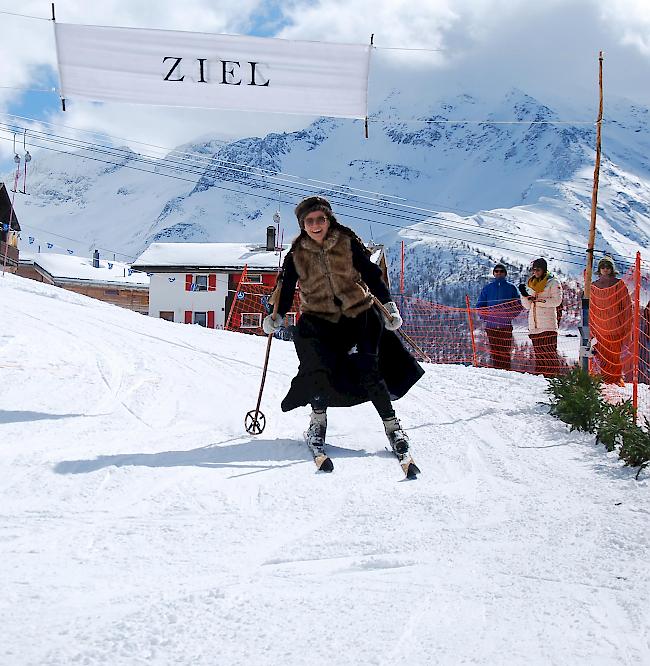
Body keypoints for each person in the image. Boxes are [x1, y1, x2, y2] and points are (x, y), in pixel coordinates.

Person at [263, 196, 424, 458]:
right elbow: (287, 287)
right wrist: (277, 316)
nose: (316, 225)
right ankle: (317, 424)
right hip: (319, 320)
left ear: (329, 220)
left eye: (320, 219)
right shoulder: (296, 255)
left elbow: (373, 276)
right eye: (309, 221)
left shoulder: (347, 243)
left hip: (358, 315)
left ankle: (393, 427)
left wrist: (388, 305)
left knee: (370, 369)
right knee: (317, 370)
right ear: (303, 224)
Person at [590, 256, 632, 385]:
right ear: (599, 269)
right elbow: (591, 307)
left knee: (614, 356)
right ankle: (606, 380)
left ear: (612, 269)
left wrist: (626, 326)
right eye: (602, 267)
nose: (605, 269)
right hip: (600, 327)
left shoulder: (619, 284)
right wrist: (592, 327)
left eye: (608, 267)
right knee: (603, 356)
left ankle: (614, 380)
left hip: (616, 327)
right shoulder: (593, 286)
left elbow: (627, 306)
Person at [519, 258, 563, 377]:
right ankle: (542, 381)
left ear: (544, 269)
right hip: (534, 324)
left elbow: (557, 301)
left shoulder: (553, 282)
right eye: (534, 270)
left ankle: (554, 380)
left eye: (538, 269)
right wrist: (524, 296)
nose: (535, 272)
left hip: (548, 324)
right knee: (539, 356)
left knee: (549, 355)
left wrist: (538, 302)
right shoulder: (532, 283)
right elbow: (528, 305)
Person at [476, 263, 522, 370]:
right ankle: (497, 374)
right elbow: (480, 306)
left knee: (505, 351)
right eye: (496, 271)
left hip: (505, 325)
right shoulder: (487, 288)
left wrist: (509, 316)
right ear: (494, 273)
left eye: (501, 271)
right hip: (491, 326)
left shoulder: (511, 288)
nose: (499, 273)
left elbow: (518, 305)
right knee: (494, 351)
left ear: (505, 273)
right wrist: (486, 317)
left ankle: (507, 372)